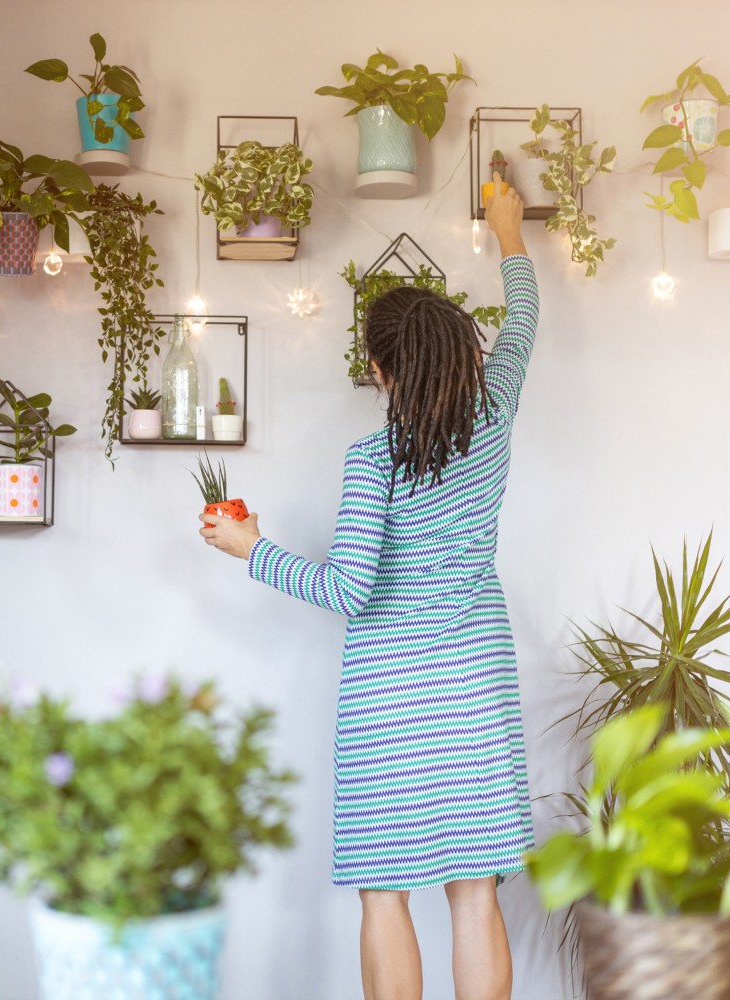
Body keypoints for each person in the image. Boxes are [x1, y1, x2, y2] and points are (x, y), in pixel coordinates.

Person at [199, 177, 537, 1000]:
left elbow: (350, 591)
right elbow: (524, 317)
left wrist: (252, 548)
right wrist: (508, 231)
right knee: (473, 890)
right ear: (464, 348)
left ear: (382, 369)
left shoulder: (372, 459)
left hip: (390, 695)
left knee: (386, 893)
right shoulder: (498, 405)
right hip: (475, 680)